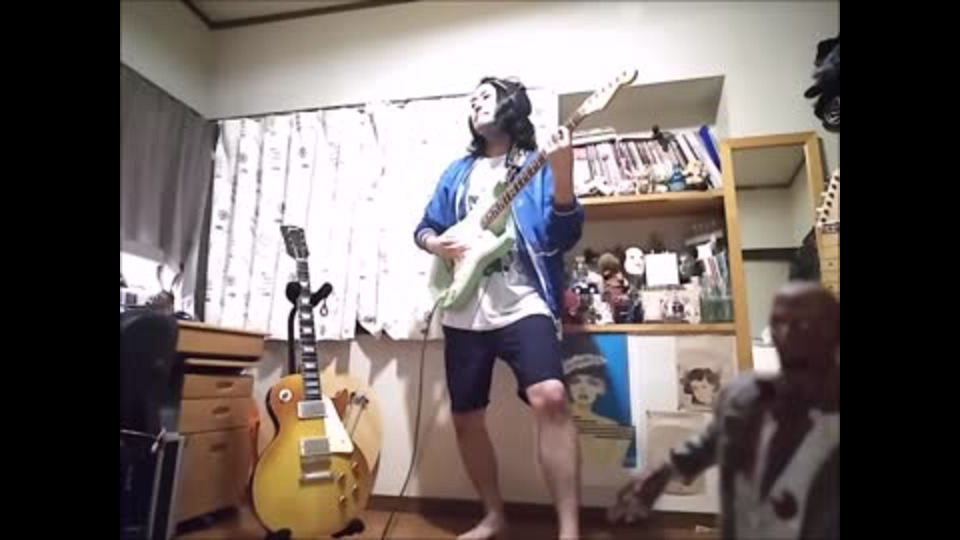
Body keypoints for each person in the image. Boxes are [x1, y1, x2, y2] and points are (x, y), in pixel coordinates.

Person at [413, 76, 584, 539]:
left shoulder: (534, 164)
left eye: (485, 96)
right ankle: (493, 516)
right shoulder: (457, 173)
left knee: (551, 397)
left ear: (512, 104)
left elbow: (562, 235)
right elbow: (425, 227)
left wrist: (563, 173)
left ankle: (570, 531)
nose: (475, 103)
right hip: (463, 308)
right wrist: (437, 245)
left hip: (523, 301)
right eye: (471, 100)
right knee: (466, 417)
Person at [609, 281, 840, 539]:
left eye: (802, 324)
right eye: (778, 323)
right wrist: (661, 474)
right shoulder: (746, 397)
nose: (786, 335)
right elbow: (712, 442)